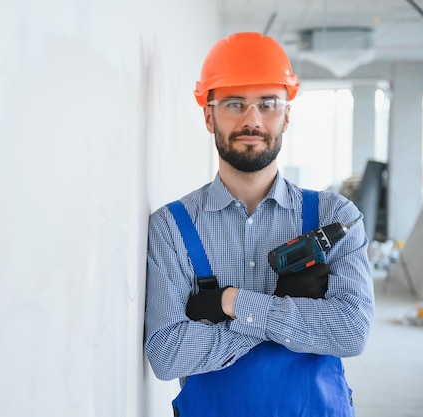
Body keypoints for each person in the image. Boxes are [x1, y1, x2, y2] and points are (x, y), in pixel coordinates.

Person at [144, 32, 375, 417]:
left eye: (267, 104)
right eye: (235, 103)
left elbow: (351, 331)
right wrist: (292, 319)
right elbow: (168, 354)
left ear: (286, 115)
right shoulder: (172, 228)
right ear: (208, 115)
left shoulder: (336, 217)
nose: (252, 119)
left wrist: (231, 303)